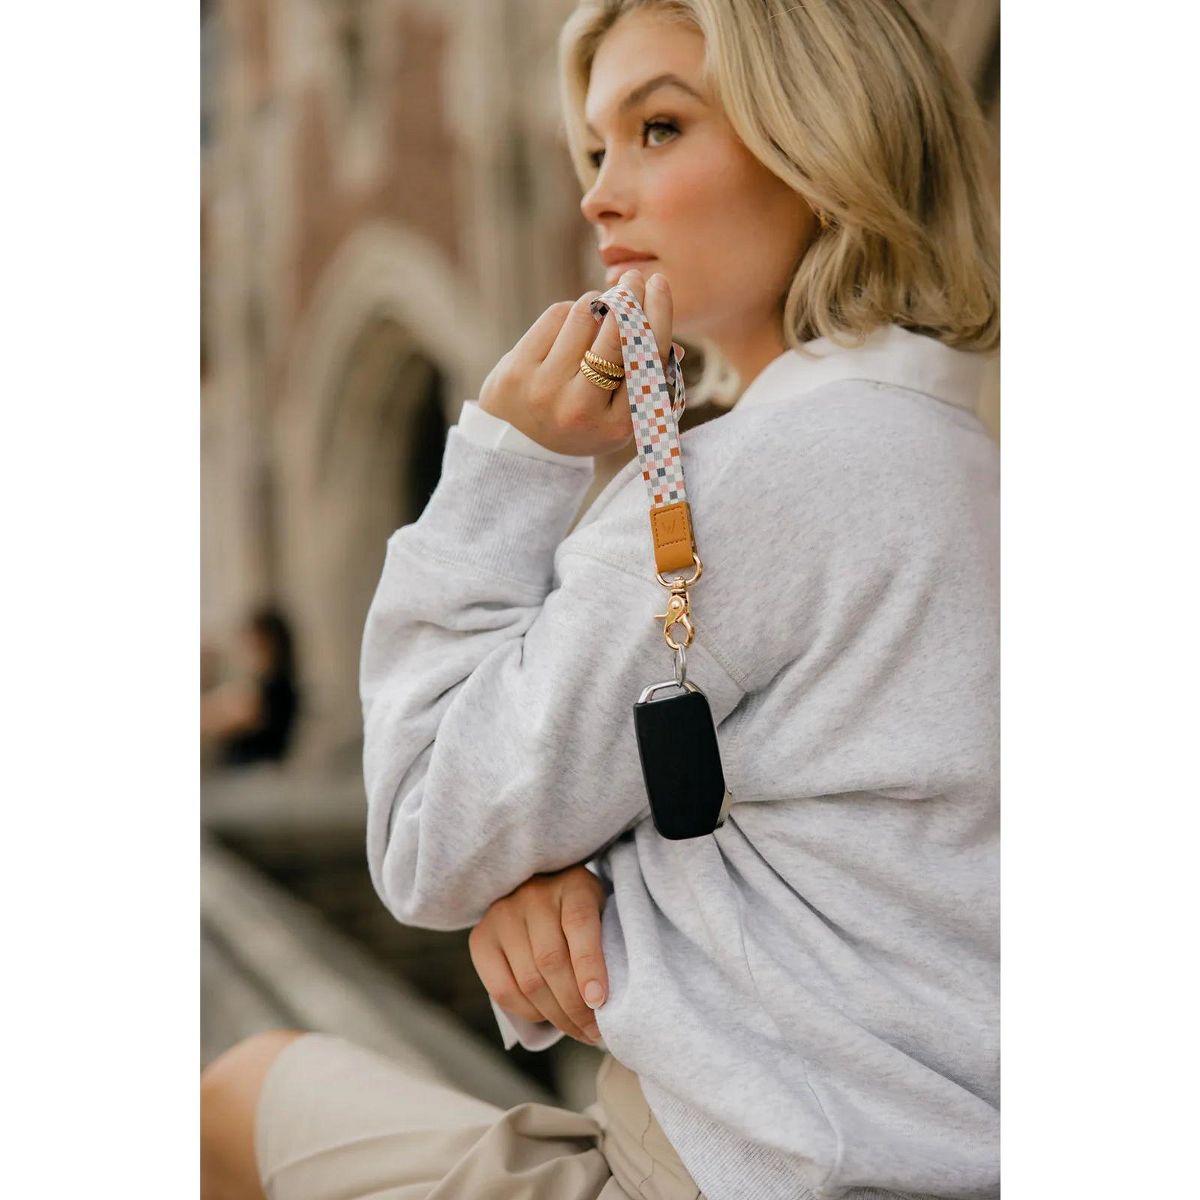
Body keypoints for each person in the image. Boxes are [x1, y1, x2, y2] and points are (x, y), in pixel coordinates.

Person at [201, 1, 999, 1197]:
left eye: (659, 128)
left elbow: (421, 829)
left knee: (225, 1106)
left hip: (717, 1177)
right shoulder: (966, 457)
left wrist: (507, 458)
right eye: (591, 149)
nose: (597, 198)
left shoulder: (738, 487)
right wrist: (555, 871)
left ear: (822, 145)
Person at [200, 607, 300, 768]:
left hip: (255, 774)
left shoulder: (273, 689)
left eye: (252, 641)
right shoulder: (269, 685)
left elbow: (218, 717)